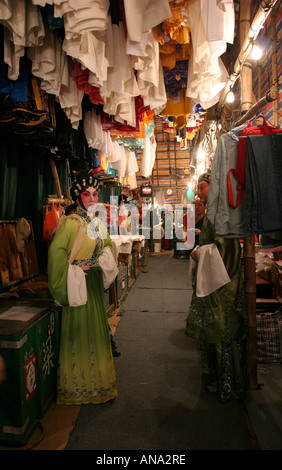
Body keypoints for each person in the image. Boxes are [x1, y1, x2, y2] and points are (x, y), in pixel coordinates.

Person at [48, 170, 118, 405]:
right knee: (78, 333)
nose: (92, 199)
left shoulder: (97, 222)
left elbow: (107, 244)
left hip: (95, 286)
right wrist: (74, 271)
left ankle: (98, 383)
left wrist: (104, 260)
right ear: (78, 198)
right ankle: (77, 386)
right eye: (87, 195)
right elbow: (56, 254)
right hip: (78, 284)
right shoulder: (71, 223)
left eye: (95, 194)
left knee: (97, 331)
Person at [185, 172, 248, 403]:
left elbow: (228, 251)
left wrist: (201, 251)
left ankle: (227, 383)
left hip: (222, 285)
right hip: (214, 282)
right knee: (215, 330)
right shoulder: (216, 213)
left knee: (223, 332)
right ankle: (217, 377)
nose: (199, 192)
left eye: (202, 187)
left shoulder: (221, 215)